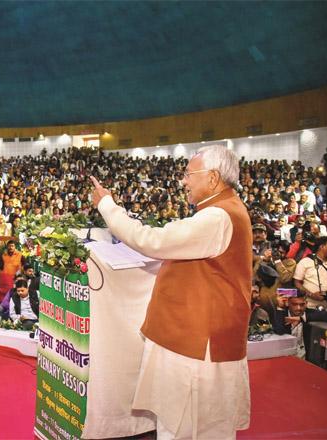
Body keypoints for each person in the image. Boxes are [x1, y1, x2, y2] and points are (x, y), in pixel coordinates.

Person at [91, 144, 252, 439]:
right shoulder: (221, 210)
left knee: (185, 427)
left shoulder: (217, 217)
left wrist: (107, 205)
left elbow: (151, 240)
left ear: (213, 178)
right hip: (191, 337)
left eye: (190, 175)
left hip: (198, 343)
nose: (184, 182)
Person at [272, 293, 327, 359]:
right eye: (294, 304)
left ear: (306, 303)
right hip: (285, 353)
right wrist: (280, 308)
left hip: (304, 354)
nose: (299, 308)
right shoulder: (282, 313)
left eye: (302, 304)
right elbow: (279, 330)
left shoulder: (309, 313)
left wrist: (302, 318)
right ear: (288, 303)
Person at [293, 235, 327, 311]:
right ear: (322, 247)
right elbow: (296, 283)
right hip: (310, 306)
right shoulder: (305, 262)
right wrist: (311, 294)